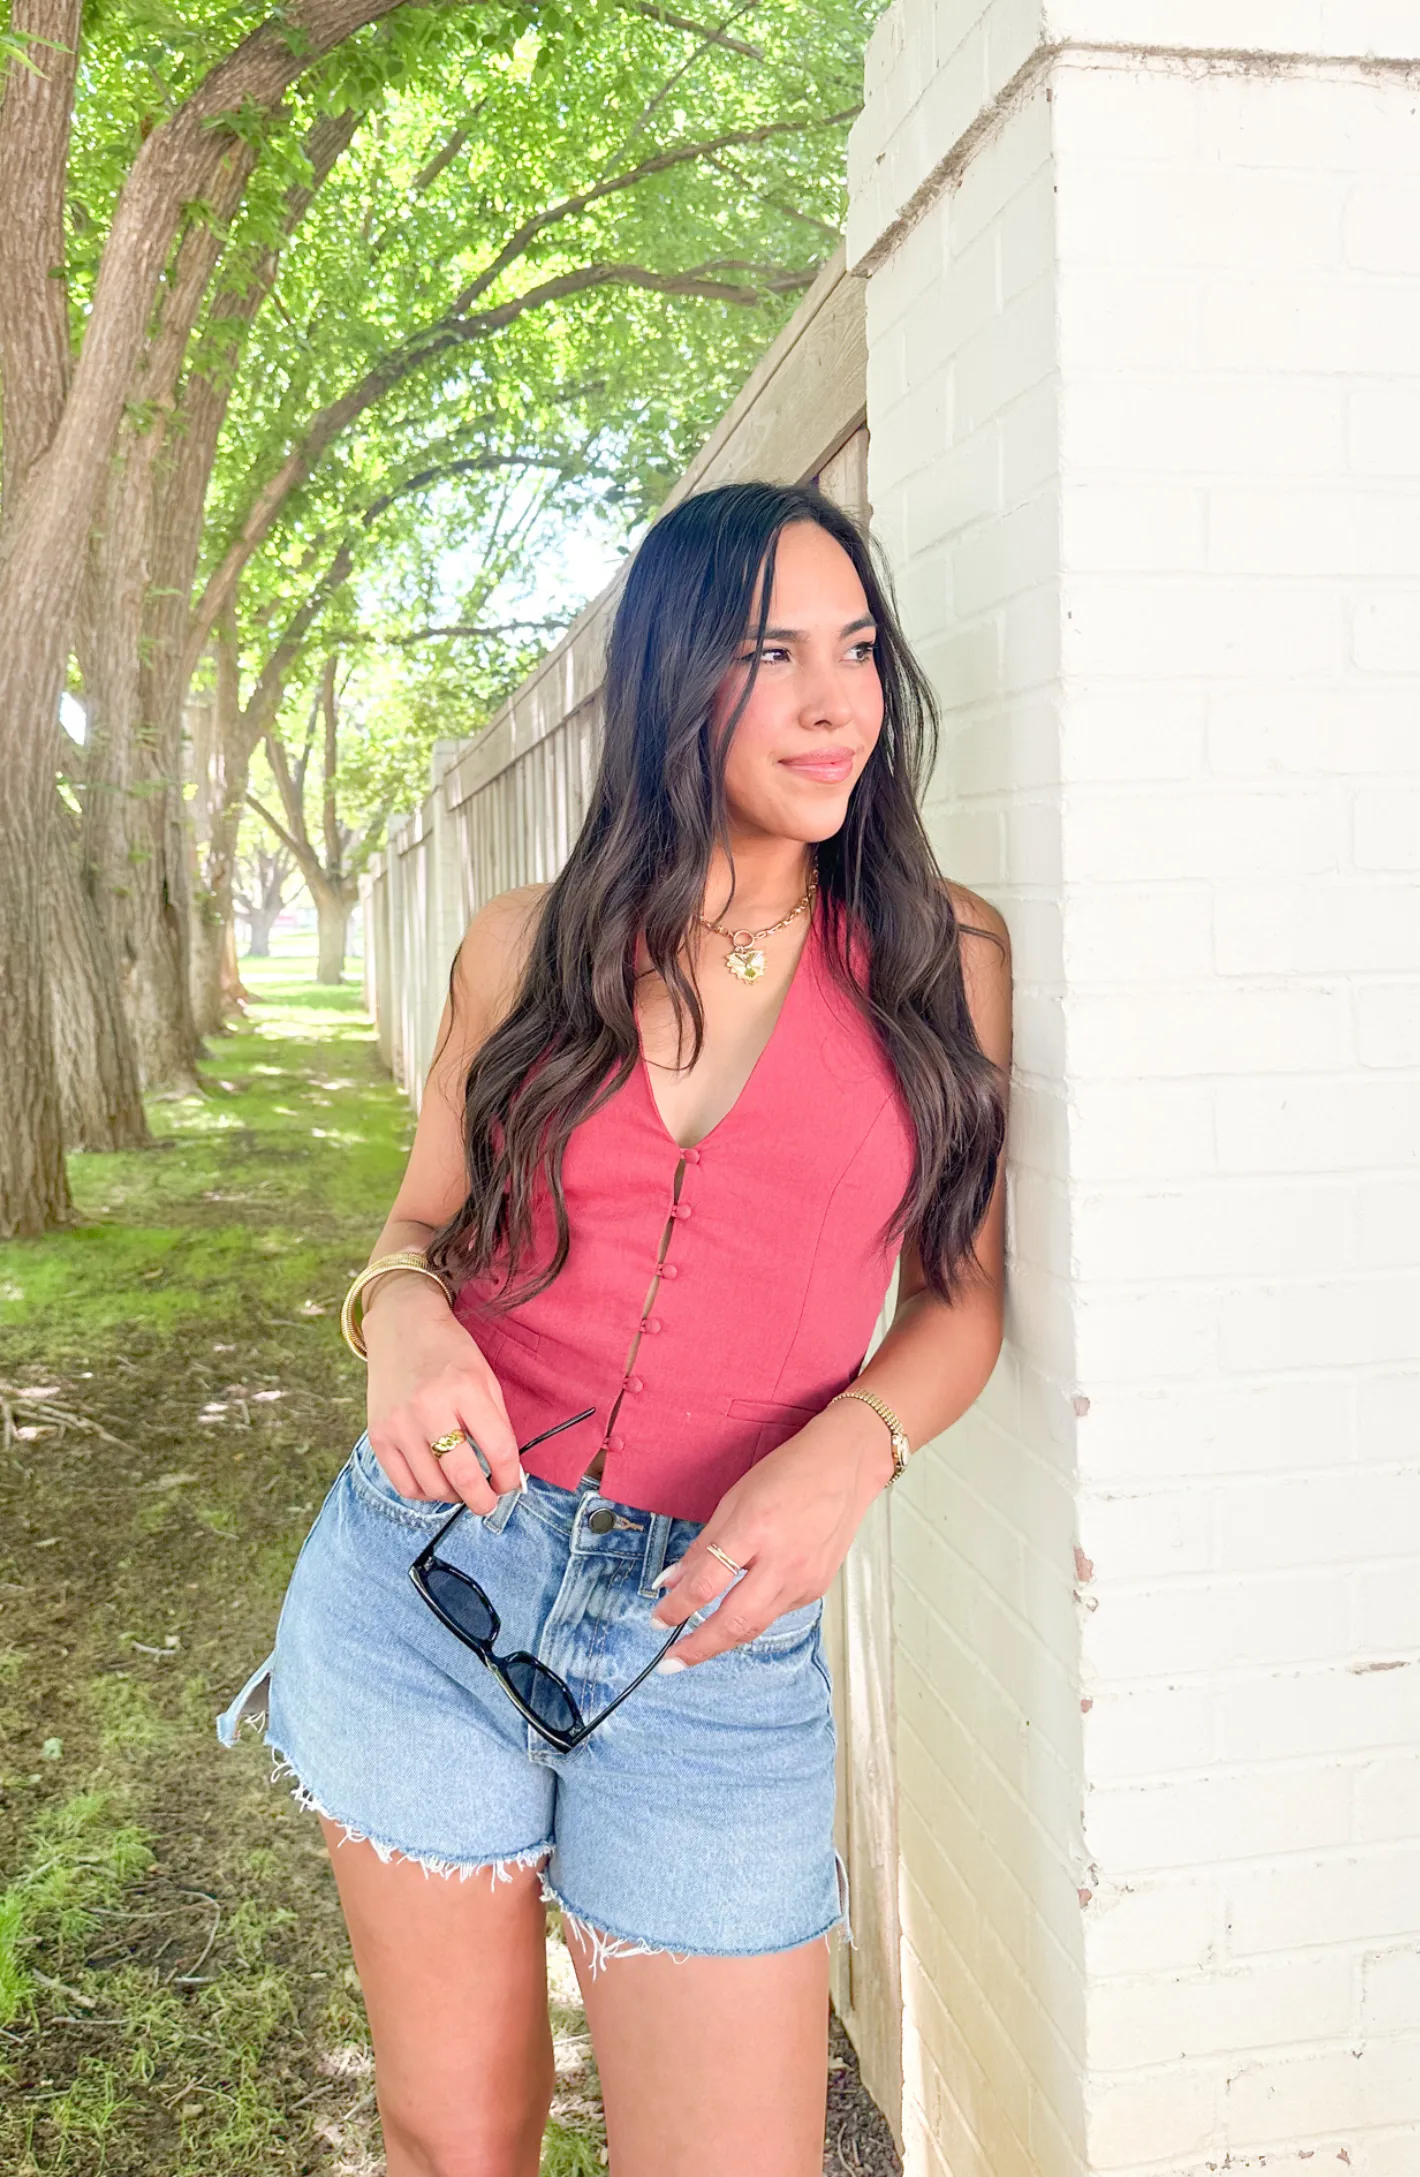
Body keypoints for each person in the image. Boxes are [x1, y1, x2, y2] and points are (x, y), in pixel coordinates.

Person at [219, 479, 1011, 2177]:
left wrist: (851, 1451)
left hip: (710, 1652)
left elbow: (964, 1296)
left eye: (858, 650)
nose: (833, 700)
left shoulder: (945, 960)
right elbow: (420, 1224)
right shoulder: (522, 949)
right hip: (428, 1588)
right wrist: (402, 1318)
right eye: (770, 651)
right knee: (459, 2137)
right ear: (670, 681)